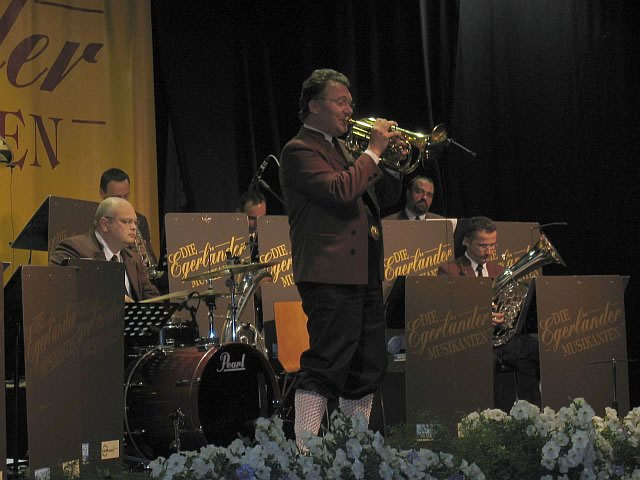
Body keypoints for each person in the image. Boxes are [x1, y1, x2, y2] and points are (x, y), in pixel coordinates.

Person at [279, 68, 403, 449]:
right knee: (328, 361)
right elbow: (340, 191)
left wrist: (391, 160)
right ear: (315, 106)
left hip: (363, 272)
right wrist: (374, 152)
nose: (350, 110)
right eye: (340, 102)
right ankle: (304, 450)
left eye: (350, 102)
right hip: (329, 274)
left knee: (367, 365)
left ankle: (354, 448)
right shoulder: (299, 150)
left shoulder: (345, 149)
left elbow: (385, 197)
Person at [437, 216, 540, 410]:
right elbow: (447, 311)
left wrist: (507, 317)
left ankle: (532, 415)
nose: (489, 252)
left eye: (493, 245)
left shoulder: (500, 271)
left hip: (501, 339)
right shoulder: (449, 270)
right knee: (487, 361)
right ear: (466, 241)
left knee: (535, 350)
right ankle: (486, 417)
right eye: (483, 246)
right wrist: (481, 318)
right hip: (470, 341)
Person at [49, 197, 159, 302]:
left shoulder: (134, 258)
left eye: (135, 222)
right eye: (126, 221)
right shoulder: (73, 248)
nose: (134, 227)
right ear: (104, 224)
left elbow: (151, 298)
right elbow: (58, 286)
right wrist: (114, 297)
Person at [99, 168, 157, 265]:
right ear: (102, 193)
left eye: (126, 196)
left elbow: (151, 263)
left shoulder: (140, 220)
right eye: (117, 197)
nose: (123, 202)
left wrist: (141, 255)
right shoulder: (93, 220)